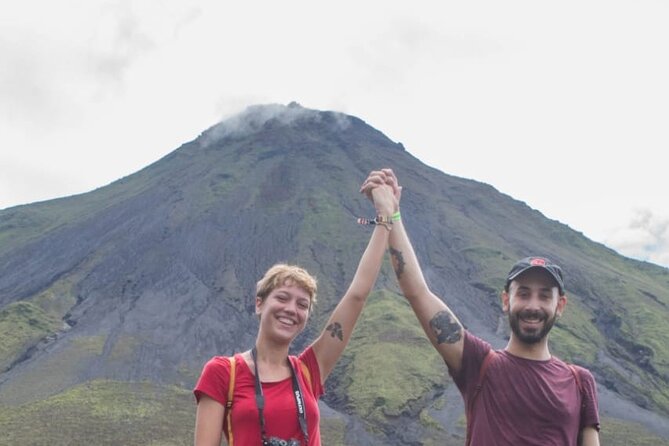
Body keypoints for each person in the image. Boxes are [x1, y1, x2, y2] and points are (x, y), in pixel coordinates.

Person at [360, 168, 601, 446]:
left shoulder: (580, 382)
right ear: (506, 300)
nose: (533, 305)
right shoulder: (479, 364)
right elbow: (418, 293)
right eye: (523, 293)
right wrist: (392, 215)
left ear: (560, 305)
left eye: (544, 296)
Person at [193, 183, 398, 446]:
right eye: (281, 298)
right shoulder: (223, 373)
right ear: (259, 304)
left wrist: (385, 217)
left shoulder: (310, 370)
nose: (291, 309)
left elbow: (357, 297)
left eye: (302, 305)